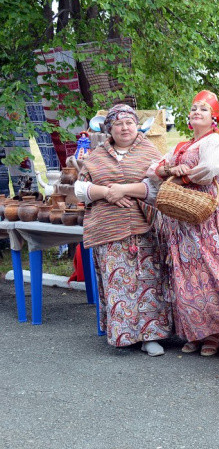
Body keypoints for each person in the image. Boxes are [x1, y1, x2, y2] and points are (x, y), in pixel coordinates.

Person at [148, 90, 219, 356]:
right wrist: (169, 170)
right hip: (183, 218)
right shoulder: (182, 146)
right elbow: (153, 170)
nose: (197, 112)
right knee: (188, 274)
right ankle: (197, 331)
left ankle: (218, 333)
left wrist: (182, 178)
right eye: (194, 108)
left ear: (214, 118)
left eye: (204, 109)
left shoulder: (213, 142)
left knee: (212, 270)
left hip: (208, 215)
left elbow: (209, 171)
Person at [74, 104, 171, 357]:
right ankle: (123, 335)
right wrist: (107, 193)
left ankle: (151, 336)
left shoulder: (150, 152)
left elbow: (158, 190)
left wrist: (124, 190)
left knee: (148, 282)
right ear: (110, 128)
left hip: (144, 229)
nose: (125, 128)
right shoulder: (96, 156)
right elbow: (80, 190)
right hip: (108, 230)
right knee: (118, 283)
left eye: (129, 122)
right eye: (118, 124)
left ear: (136, 125)